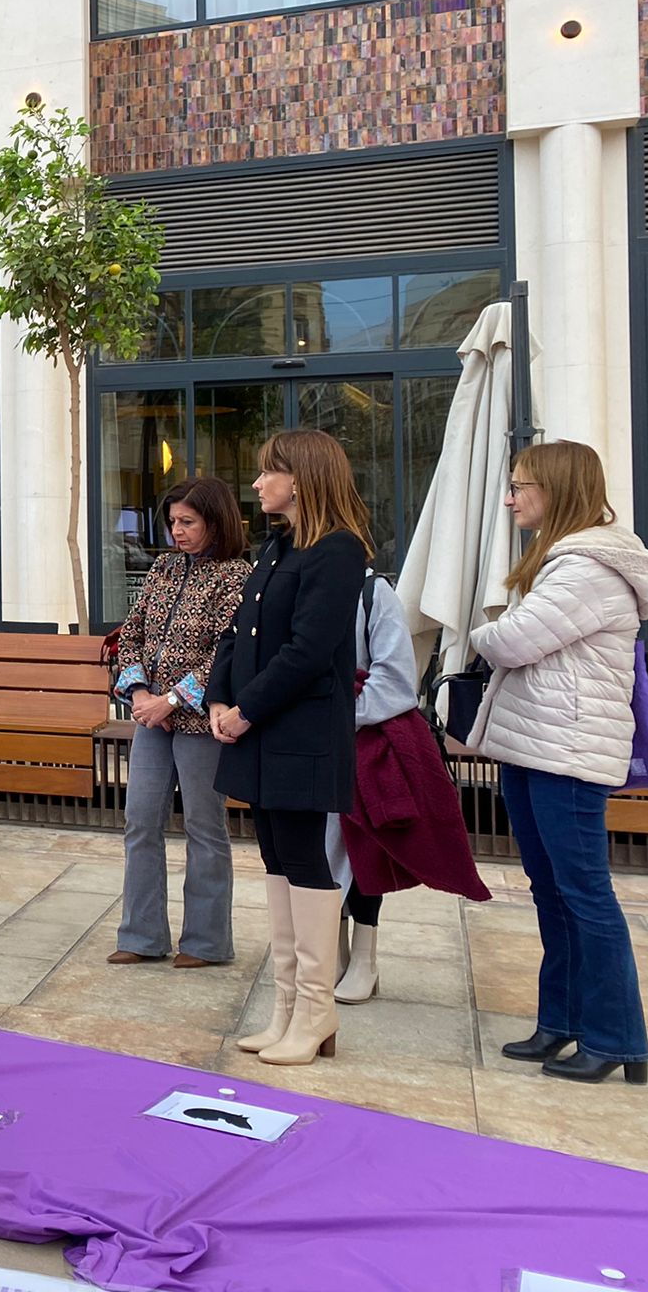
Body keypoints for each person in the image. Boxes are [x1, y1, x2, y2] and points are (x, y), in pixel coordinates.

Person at [469, 440, 648, 1086]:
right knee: (552, 891)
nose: (511, 498)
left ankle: (618, 1037)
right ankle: (564, 1020)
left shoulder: (588, 567)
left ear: (558, 489)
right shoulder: (559, 559)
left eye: (521, 487)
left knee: (585, 894)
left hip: (567, 753)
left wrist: (481, 633)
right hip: (538, 745)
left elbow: (513, 639)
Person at [209, 429, 371, 1069]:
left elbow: (307, 653)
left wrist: (247, 710)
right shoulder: (279, 546)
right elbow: (237, 634)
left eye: (266, 473)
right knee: (274, 856)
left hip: (297, 731)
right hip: (260, 728)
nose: (256, 484)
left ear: (300, 479)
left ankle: (316, 1009)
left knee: (304, 858)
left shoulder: (338, 552)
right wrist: (221, 699)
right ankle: (286, 1009)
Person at [109, 476, 250, 969]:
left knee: (204, 827)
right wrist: (143, 696)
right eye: (172, 522)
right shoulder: (163, 567)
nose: (177, 531)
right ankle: (142, 935)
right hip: (152, 722)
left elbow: (226, 655)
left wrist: (173, 699)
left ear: (215, 519)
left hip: (200, 725)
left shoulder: (236, 575)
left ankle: (206, 943)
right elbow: (132, 635)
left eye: (187, 522)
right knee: (139, 822)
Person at [333, 571, 491, 1004]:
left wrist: (335, 715)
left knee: (365, 848)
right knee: (317, 853)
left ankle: (365, 956)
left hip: (364, 741)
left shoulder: (371, 591)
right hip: (310, 743)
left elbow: (395, 677)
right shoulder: (294, 578)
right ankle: (335, 950)